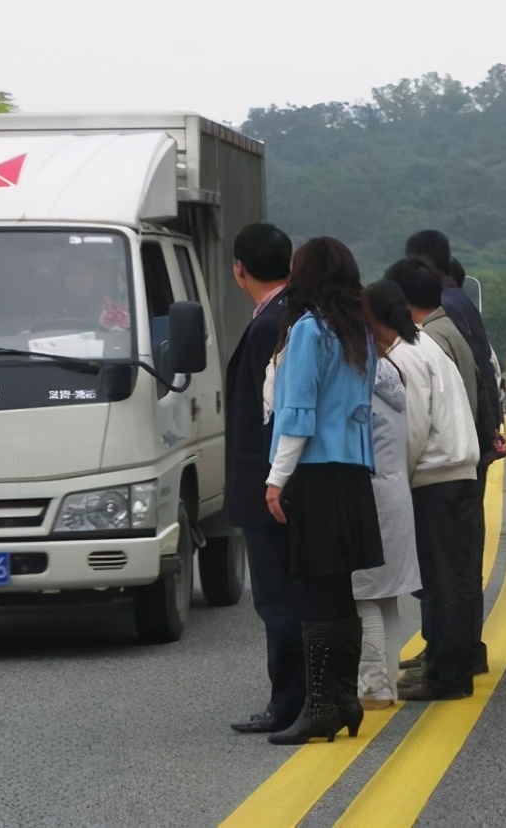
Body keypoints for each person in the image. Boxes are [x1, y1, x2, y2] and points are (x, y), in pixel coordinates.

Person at [263, 236, 385, 745]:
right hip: (352, 470)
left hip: (314, 471)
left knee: (314, 591)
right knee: (338, 590)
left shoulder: (310, 331)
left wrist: (276, 478)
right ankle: (341, 698)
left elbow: (297, 414)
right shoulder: (358, 331)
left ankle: (320, 705)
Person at [402, 231, 504, 679]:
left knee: (446, 567)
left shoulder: (438, 325)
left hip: (450, 460)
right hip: (470, 453)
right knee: (458, 563)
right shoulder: (463, 305)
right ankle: (455, 650)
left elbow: (446, 397)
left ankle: (450, 655)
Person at [381, 260, 481, 701]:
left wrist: (394, 478)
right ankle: (446, 667)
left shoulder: (404, 354)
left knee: (443, 584)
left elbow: (412, 425)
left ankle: (447, 677)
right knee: (453, 579)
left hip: (435, 477)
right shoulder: (427, 343)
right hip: (458, 472)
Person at [224, 223, 303, 735]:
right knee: (292, 595)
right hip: (286, 480)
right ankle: (301, 695)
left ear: (239, 271)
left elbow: (267, 414)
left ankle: (288, 702)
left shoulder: (266, 326)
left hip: (270, 484)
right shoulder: (293, 314)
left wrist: (271, 481)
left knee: (277, 598)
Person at [352, 284, 423, 710]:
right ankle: (387, 683)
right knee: (386, 598)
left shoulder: (361, 377)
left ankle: (374, 687)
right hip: (396, 491)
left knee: (361, 595)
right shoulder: (391, 373)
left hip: (372, 493)